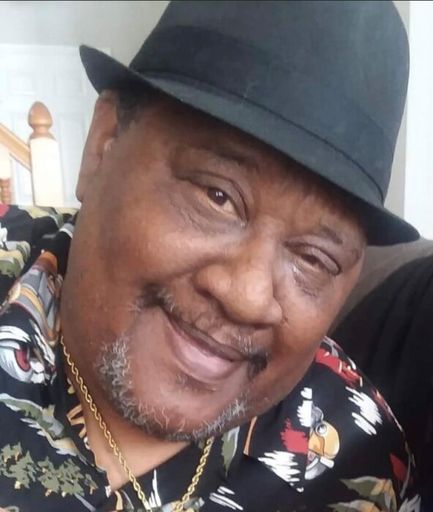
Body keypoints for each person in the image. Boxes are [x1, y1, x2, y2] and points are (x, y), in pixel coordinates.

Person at [0, 2, 422, 511]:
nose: (247, 295)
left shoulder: (362, 468)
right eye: (217, 197)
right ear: (104, 145)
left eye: (314, 258)